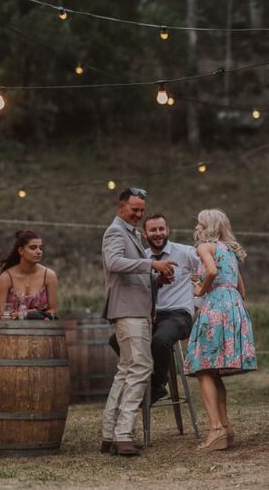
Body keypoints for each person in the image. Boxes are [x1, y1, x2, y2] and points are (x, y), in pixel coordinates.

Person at [100, 188, 177, 456]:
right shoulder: (114, 232)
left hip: (137, 310)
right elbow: (114, 263)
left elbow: (131, 274)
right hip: (128, 311)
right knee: (141, 368)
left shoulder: (129, 232)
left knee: (125, 370)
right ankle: (123, 435)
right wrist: (151, 265)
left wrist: (157, 280)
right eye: (135, 209)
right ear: (121, 206)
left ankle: (109, 434)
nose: (139, 214)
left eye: (142, 210)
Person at [184, 209, 257, 451]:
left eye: (199, 222)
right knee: (213, 370)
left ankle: (215, 429)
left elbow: (212, 272)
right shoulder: (230, 250)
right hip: (234, 306)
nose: (197, 226)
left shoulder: (205, 247)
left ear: (206, 225)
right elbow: (242, 290)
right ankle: (225, 428)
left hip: (215, 307)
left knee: (203, 367)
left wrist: (201, 289)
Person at [142, 213, 201, 403]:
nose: (158, 233)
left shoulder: (185, 252)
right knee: (117, 339)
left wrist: (199, 302)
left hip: (179, 314)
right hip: (151, 316)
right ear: (145, 234)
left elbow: (210, 270)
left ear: (168, 230)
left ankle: (158, 385)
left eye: (161, 229)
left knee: (159, 341)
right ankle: (150, 378)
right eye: (153, 230)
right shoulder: (143, 258)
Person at [0, 230, 57, 319]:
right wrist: (13, 316)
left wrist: (27, 314)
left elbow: (53, 310)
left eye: (40, 248)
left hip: (41, 330)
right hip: (11, 330)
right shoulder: (6, 278)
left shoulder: (49, 276)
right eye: (33, 247)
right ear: (21, 250)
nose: (38, 251)